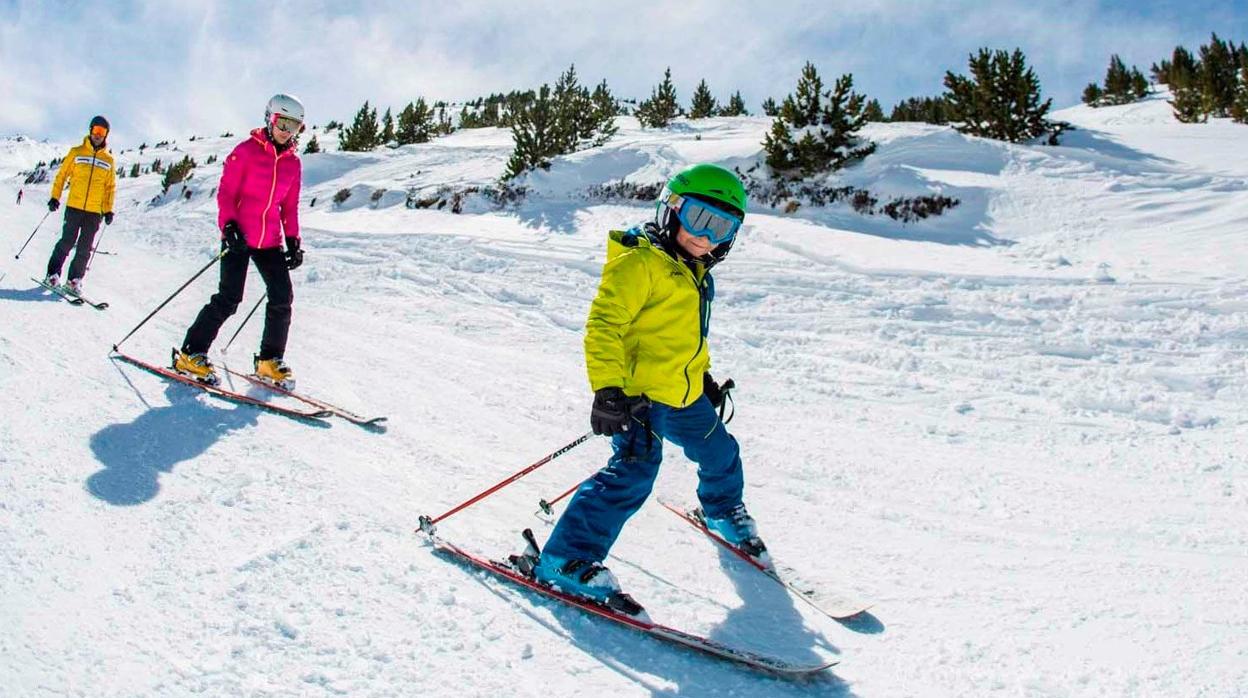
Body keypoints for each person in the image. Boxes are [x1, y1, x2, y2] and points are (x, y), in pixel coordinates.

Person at [534, 164, 760, 608]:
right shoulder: (641, 262)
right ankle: (564, 558)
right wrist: (608, 390)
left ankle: (721, 510)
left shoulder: (697, 272)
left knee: (721, 452)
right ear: (671, 209)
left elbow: (687, 338)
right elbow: (604, 326)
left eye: (723, 226)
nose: (707, 236)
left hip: (683, 394)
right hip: (638, 399)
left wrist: (704, 380)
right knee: (634, 472)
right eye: (699, 218)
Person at [172, 94, 306, 389]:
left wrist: (293, 241)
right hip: (239, 237)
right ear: (269, 119)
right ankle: (190, 353)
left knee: (282, 296)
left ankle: (270, 361)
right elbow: (226, 193)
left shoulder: (293, 164)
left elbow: (289, 206)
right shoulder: (245, 151)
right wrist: (228, 225)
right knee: (229, 298)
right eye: (282, 122)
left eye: (294, 125)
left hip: (269, 240)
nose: (286, 130)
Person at [44, 115, 116, 293]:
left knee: (84, 249)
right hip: (74, 207)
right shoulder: (76, 152)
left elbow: (110, 187)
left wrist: (108, 210)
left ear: (106, 135)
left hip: (94, 212)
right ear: (90, 131)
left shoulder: (109, 160)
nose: (98, 134)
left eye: (102, 131)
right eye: (96, 130)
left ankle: (74, 280)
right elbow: (62, 175)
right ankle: (52, 275)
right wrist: (55, 197)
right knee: (66, 242)